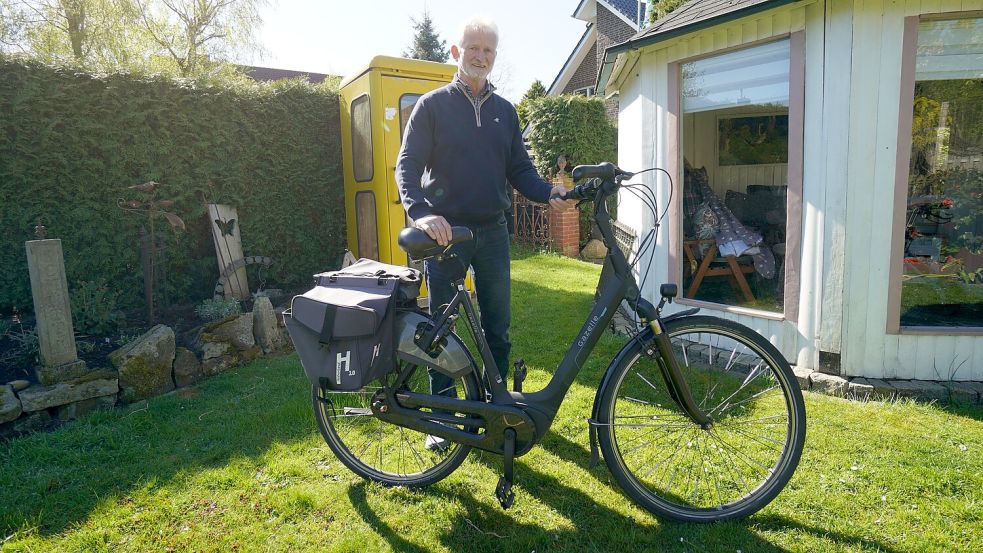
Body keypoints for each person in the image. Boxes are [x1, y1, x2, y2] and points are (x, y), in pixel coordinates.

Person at [395, 16, 573, 394]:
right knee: (440, 327)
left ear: (494, 56)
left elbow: (520, 170)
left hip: (493, 232)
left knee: (498, 325)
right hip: (446, 234)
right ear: (457, 52)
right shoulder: (432, 107)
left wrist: (549, 193)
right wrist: (423, 213)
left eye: (487, 50)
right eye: (472, 48)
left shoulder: (506, 112)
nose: (480, 56)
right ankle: (442, 410)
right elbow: (406, 167)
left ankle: (496, 402)